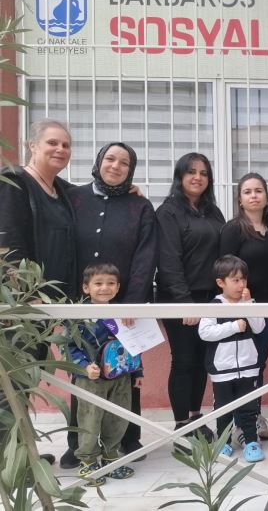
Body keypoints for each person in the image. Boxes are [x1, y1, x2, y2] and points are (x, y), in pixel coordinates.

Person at [61, 142, 157, 468]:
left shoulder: (140, 206)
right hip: (82, 303)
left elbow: (146, 255)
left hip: (124, 304)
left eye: (124, 162)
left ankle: (127, 438)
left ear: (131, 170)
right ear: (99, 161)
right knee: (83, 371)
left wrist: (133, 302)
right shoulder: (73, 198)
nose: (116, 166)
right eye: (110, 159)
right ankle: (79, 444)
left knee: (125, 369)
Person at [0, 120, 78, 465]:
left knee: (27, 380)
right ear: (31, 145)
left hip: (48, 308)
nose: (60, 149)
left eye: (66, 145)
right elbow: (7, 242)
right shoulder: (15, 183)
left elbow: (93, 196)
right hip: (23, 307)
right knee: (12, 385)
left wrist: (130, 191)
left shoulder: (60, 190)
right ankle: (11, 463)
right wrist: (23, 295)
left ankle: (23, 455)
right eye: (52, 143)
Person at [156, 152, 225, 443]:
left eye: (203, 173)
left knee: (201, 361)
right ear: (180, 176)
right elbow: (169, 261)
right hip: (179, 299)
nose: (198, 177)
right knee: (184, 361)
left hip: (209, 299)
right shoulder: (168, 212)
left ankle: (195, 418)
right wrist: (186, 303)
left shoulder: (212, 212)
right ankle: (182, 426)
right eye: (191, 172)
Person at [219, 172, 268, 444]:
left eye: (258, 190)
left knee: (258, 364)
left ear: (267, 197)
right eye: (247, 192)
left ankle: (253, 416)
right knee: (242, 365)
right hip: (243, 308)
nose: (254, 196)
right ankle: (238, 423)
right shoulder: (233, 229)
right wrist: (237, 300)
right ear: (240, 199)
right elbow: (225, 267)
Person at [67, 263, 139, 486]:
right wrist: (84, 367)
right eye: (98, 283)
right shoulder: (78, 315)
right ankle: (88, 462)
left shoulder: (123, 313)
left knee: (118, 417)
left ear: (118, 287)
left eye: (110, 283)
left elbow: (133, 342)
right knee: (89, 419)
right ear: (86, 288)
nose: (104, 288)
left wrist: (138, 370)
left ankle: (111, 457)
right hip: (91, 378)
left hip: (120, 376)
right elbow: (69, 346)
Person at [198, 255, 266, 462]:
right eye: (235, 280)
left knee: (249, 407)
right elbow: (205, 332)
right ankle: (224, 442)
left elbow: (259, 327)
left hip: (248, 366)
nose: (241, 284)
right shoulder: (214, 306)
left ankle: (251, 442)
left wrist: (249, 305)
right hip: (222, 369)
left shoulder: (249, 303)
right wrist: (233, 326)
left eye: (243, 279)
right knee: (223, 408)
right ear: (221, 283)